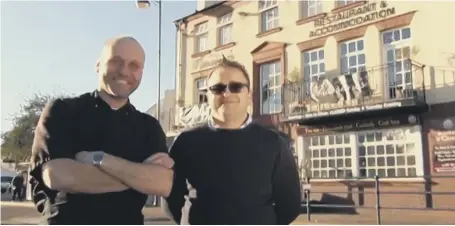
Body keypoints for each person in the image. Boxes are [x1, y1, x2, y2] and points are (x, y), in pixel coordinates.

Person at [29, 35, 174, 225]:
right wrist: (138, 177)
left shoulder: (149, 126)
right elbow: (57, 176)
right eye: (116, 61)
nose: (124, 71)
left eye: (134, 65)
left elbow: (163, 184)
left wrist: (100, 160)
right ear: (98, 65)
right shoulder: (62, 110)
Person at [163, 57, 302, 225]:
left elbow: (290, 204)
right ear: (207, 95)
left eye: (236, 87)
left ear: (249, 95)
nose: (226, 93)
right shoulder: (186, 142)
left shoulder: (274, 142)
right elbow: (170, 200)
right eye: (217, 88)